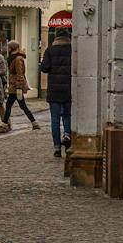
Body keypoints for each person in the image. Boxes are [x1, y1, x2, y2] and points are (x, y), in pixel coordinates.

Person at [39, 30, 74, 158]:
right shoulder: (72, 50)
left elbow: (44, 68)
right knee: (67, 115)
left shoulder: (50, 50)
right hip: (68, 88)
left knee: (54, 119)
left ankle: (57, 148)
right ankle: (67, 134)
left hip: (54, 89)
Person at [3, 40, 38, 129]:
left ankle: (4, 125)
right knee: (22, 106)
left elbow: (20, 74)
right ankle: (34, 123)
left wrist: (19, 87)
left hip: (16, 86)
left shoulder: (18, 59)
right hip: (14, 85)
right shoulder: (13, 57)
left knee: (9, 105)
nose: (8, 48)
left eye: (9, 47)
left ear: (13, 48)